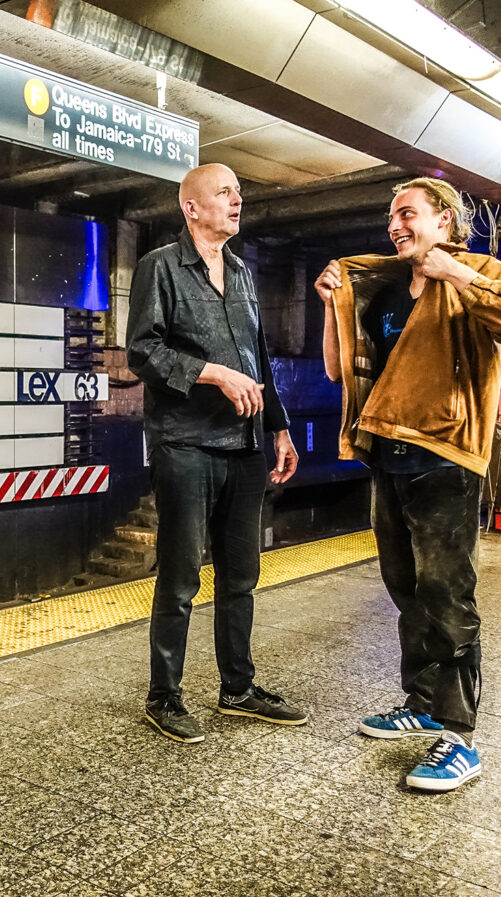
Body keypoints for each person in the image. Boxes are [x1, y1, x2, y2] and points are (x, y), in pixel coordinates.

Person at [314, 178, 501, 790]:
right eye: (391, 217)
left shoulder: (478, 271)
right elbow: (339, 370)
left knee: (448, 596)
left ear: (444, 219)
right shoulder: (386, 287)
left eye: (407, 213)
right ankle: (421, 704)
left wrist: (458, 274)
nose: (395, 225)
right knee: (407, 590)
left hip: (446, 456)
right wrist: (330, 306)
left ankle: (458, 735)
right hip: (386, 453)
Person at [126, 163, 306, 744]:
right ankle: (164, 697)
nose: (237, 200)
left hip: (245, 444)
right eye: (225, 193)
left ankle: (238, 689)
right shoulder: (160, 267)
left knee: (241, 575)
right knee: (181, 576)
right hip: (185, 442)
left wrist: (279, 428)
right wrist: (212, 374)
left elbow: (258, 358)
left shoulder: (242, 272)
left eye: (238, 193)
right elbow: (142, 351)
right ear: (192, 208)